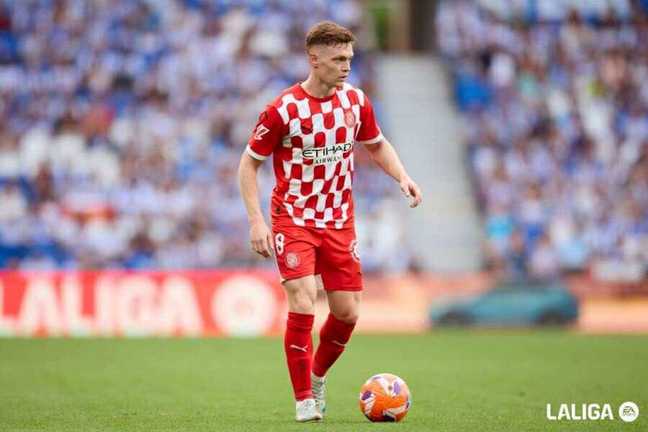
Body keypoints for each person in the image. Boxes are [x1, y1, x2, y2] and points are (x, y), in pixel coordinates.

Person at [238, 21, 422, 422]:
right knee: (303, 298)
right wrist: (256, 221)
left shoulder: (356, 102)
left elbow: (376, 144)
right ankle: (304, 399)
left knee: (347, 313)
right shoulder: (283, 109)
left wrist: (402, 177)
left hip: (339, 221)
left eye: (349, 58)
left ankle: (317, 376)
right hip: (294, 219)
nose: (346, 66)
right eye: (338, 59)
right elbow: (248, 164)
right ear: (314, 59)